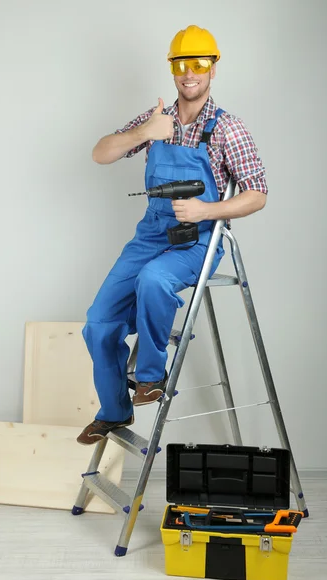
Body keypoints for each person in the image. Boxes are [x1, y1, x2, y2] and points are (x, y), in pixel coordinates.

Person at [77, 25, 268, 445]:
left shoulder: (227, 129)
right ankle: (114, 410)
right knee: (97, 323)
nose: (189, 73)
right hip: (150, 235)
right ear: (172, 68)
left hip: (199, 239)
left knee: (154, 280)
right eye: (182, 64)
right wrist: (144, 133)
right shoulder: (156, 119)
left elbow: (257, 194)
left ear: (213, 69)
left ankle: (150, 375)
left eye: (199, 64)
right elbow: (100, 153)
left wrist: (207, 210)